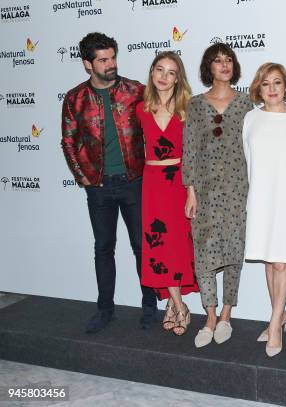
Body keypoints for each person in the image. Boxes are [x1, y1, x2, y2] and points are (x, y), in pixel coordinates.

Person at [61, 32, 157, 334]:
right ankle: (105, 309)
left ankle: (150, 307)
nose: (110, 63)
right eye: (103, 59)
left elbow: (157, 127)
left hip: (135, 182)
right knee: (103, 247)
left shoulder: (136, 91)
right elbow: (68, 141)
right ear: (87, 64)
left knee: (142, 247)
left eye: (113, 57)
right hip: (99, 187)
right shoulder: (75, 98)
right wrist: (85, 178)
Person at [183, 43, 252, 348]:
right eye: (217, 61)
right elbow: (189, 150)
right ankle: (209, 316)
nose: (223, 65)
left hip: (239, 190)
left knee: (234, 252)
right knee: (205, 254)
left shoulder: (248, 104)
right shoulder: (196, 105)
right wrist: (190, 191)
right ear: (208, 68)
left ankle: (226, 314)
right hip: (206, 191)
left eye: (228, 60)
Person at [242, 63, 286, 357]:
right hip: (260, 199)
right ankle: (279, 316)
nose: (271, 88)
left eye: (277, 83)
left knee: (282, 262)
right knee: (270, 262)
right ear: (259, 88)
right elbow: (249, 160)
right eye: (266, 83)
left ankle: (274, 323)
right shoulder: (250, 119)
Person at [137, 51, 199, 336]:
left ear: (178, 77)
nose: (163, 76)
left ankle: (175, 306)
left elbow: (193, 155)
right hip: (152, 183)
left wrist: (192, 192)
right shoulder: (140, 108)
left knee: (176, 246)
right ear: (152, 73)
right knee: (159, 246)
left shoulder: (188, 108)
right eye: (159, 70)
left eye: (170, 72)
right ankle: (178, 305)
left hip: (179, 183)